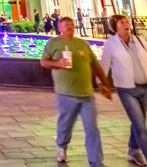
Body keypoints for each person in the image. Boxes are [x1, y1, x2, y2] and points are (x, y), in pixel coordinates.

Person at [40, 17, 112, 166]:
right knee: (65, 125)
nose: (71, 27)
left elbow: (95, 65)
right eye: (67, 25)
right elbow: (44, 61)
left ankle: (97, 163)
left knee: (92, 130)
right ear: (60, 28)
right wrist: (57, 63)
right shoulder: (53, 43)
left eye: (72, 24)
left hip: (87, 94)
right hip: (65, 93)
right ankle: (62, 145)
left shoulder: (82, 44)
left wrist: (105, 83)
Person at [100, 14, 147, 167]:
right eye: (122, 23)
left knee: (138, 122)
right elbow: (103, 65)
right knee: (140, 126)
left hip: (145, 88)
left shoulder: (140, 41)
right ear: (115, 27)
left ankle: (133, 150)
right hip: (126, 89)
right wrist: (102, 84)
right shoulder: (111, 44)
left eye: (127, 21)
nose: (126, 24)